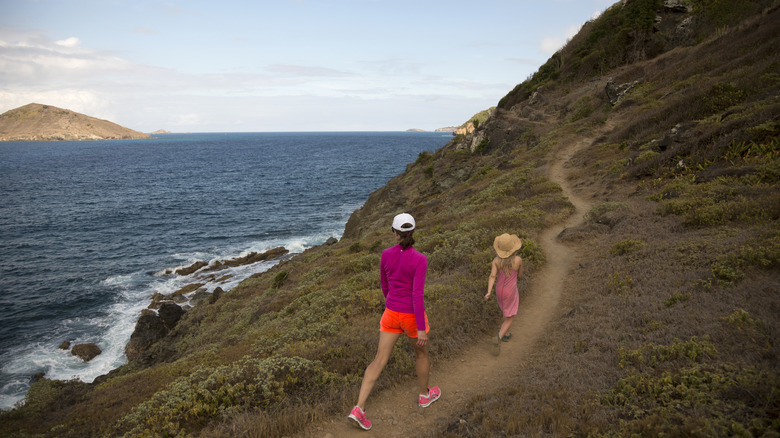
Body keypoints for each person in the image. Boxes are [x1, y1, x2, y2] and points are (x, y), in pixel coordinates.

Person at [348, 213, 441, 431]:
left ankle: (359, 408)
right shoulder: (421, 259)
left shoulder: (385, 254)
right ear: (413, 232)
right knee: (421, 354)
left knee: (379, 360)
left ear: (394, 232)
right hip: (411, 317)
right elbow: (417, 296)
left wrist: (392, 303)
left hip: (390, 314)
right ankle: (424, 395)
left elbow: (384, 285)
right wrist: (420, 329)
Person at [484, 233, 523, 355]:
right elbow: (520, 275)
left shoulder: (496, 261)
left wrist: (489, 292)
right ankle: (499, 337)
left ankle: (506, 334)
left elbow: (492, 276)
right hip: (510, 291)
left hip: (499, 290)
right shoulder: (518, 260)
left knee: (505, 309)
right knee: (510, 317)